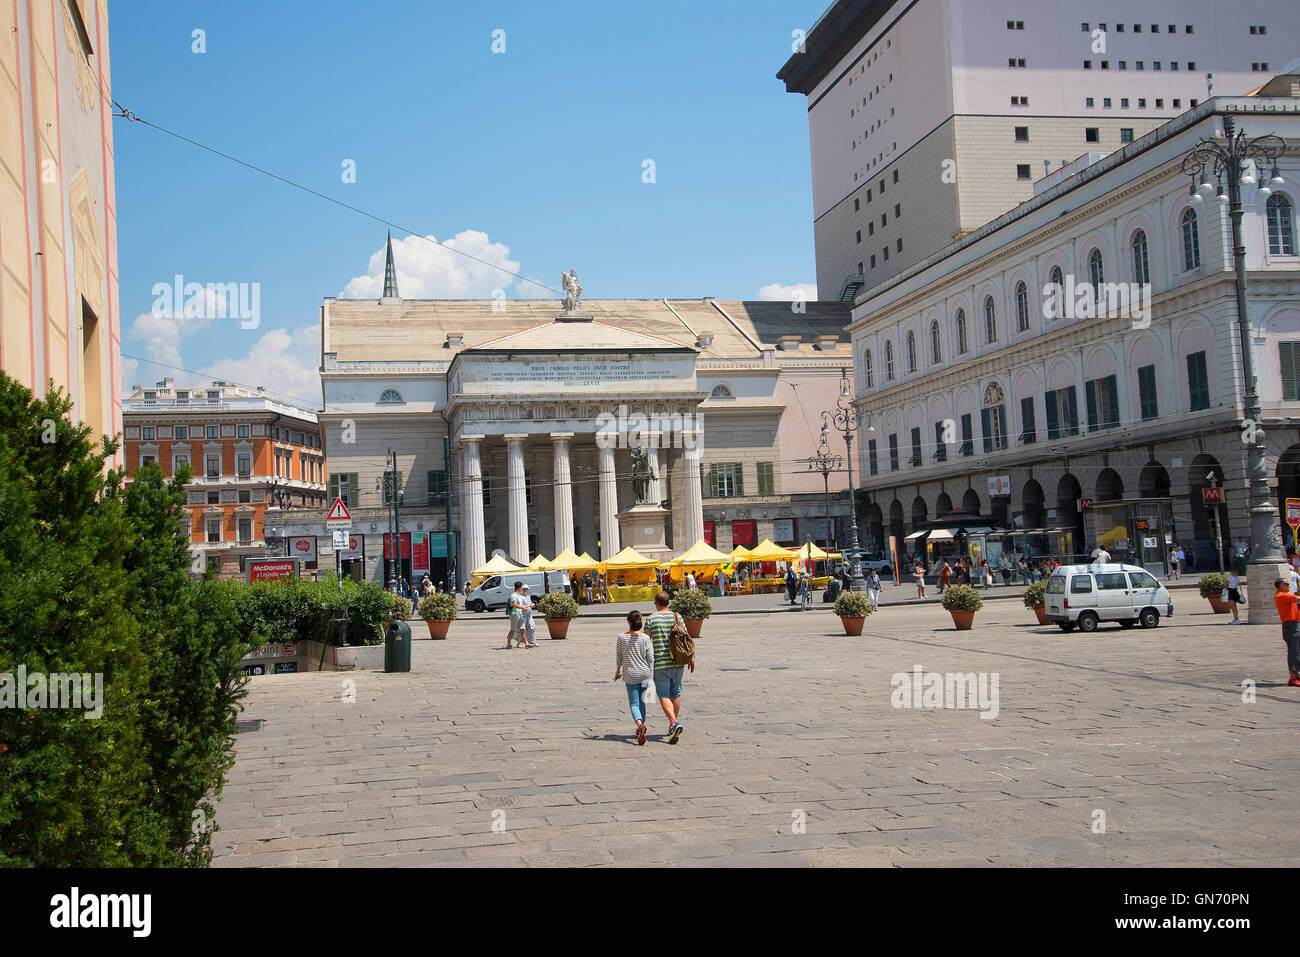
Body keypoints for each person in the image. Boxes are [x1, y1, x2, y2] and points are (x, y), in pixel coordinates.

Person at [646, 591, 692, 743]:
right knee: (676, 694)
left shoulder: (651, 619)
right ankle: (673, 725)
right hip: (678, 662)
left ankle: (674, 723)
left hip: (661, 663)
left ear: (656, 603)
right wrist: (691, 657)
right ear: (668, 603)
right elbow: (686, 637)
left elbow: (646, 642)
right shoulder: (677, 616)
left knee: (663, 695)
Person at [614, 609, 655, 744]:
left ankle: (640, 725)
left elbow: (619, 657)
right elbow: (650, 658)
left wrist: (618, 671)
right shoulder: (645, 638)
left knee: (634, 703)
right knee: (642, 702)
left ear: (628, 622)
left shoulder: (621, 638)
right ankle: (641, 727)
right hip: (644, 673)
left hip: (630, 674)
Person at [1273, 579, 1300, 687]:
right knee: (1294, 651)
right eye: (1286, 584)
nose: (1289, 586)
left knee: (1296, 650)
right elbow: (1298, 599)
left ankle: (1296, 675)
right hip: (1291, 625)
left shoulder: (1285, 596)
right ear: (1281, 586)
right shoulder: (1282, 595)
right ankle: (1293, 677)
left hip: (1294, 624)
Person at [506, 581, 525, 648]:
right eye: (521, 587)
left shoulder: (519, 595)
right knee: (513, 629)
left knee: (521, 629)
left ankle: (519, 643)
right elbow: (514, 604)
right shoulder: (513, 595)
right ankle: (508, 643)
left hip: (520, 613)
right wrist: (523, 607)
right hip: (515, 614)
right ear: (519, 587)